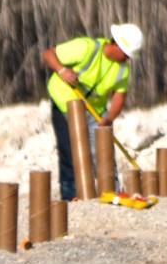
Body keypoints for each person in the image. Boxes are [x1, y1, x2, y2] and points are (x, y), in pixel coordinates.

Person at [43, 23, 143, 200]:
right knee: (69, 152)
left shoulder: (122, 69)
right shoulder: (86, 47)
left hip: (94, 110)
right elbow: (49, 54)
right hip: (65, 104)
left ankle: (112, 192)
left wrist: (110, 118)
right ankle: (71, 196)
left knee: (104, 152)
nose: (127, 59)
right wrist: (62, 70)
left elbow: (120, 95)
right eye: (126, 54)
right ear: (117, 44)